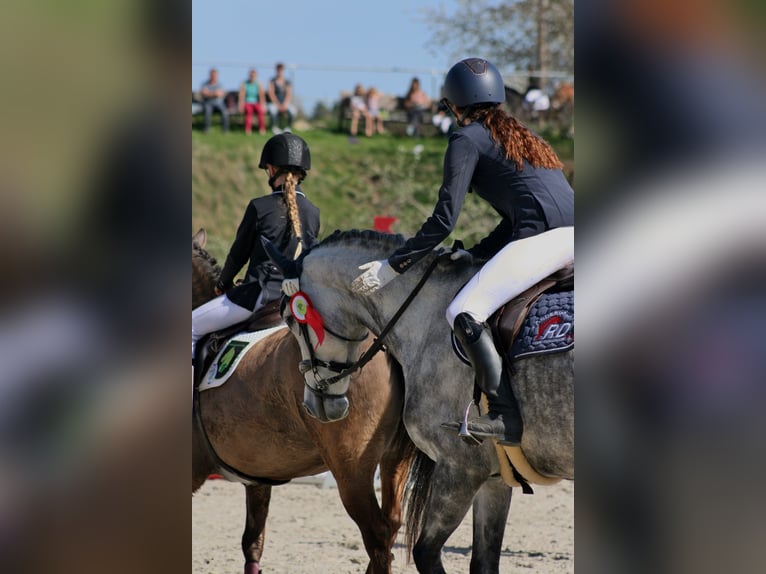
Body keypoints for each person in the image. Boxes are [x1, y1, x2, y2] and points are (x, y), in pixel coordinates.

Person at [350, 58, 574, 445]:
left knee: (462, 311)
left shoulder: (467, 138)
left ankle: (505, 416)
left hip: (548, 242)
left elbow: (443, 219)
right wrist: (474, 254)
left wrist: (395, 266)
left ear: (455, 104)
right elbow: (515, 219)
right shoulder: (523, 134)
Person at [192, 133, 320, 361]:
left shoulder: (260, 207)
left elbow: (238, 254)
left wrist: (222, 284)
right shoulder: (313, 212)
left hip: (258, 296)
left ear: (271, 170)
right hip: (296, 300)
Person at [266, 63, 297, 134]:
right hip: (275, 103)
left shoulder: (287, 82)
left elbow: (289, 94)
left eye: (281, 69)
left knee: (293, 110)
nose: (279, 71)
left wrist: (285, 104)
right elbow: (271, 94)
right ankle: (274, 127)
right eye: (278, 69)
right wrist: (277, 104)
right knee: (273, 110)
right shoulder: (272, 81)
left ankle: (288, 128)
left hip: (285, 104)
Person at [200, 68, 229, 133]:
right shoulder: (205, 84)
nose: (213, 76)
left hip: (219, 103)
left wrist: (209, 93)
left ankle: (225, 130)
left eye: (215, 75)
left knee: (225, 112)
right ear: (210, 75)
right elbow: (204, 93)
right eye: (212, 75)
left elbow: (221, 94)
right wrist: (214, 93)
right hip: (208, 103)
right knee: (207, 112)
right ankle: (206, 129)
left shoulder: (220, 84)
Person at [238, 68, 266, 135]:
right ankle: (248, 129)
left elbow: (261, 95)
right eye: (251, 75)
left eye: (253, 75)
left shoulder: (258, 84)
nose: (252, 77)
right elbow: (241, 95)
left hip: (256, 103)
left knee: (260, 111)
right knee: (249, 112)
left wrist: (263, 105)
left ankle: (262, 129)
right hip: (247, 102)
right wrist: (240, 105)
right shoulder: (245, 84)